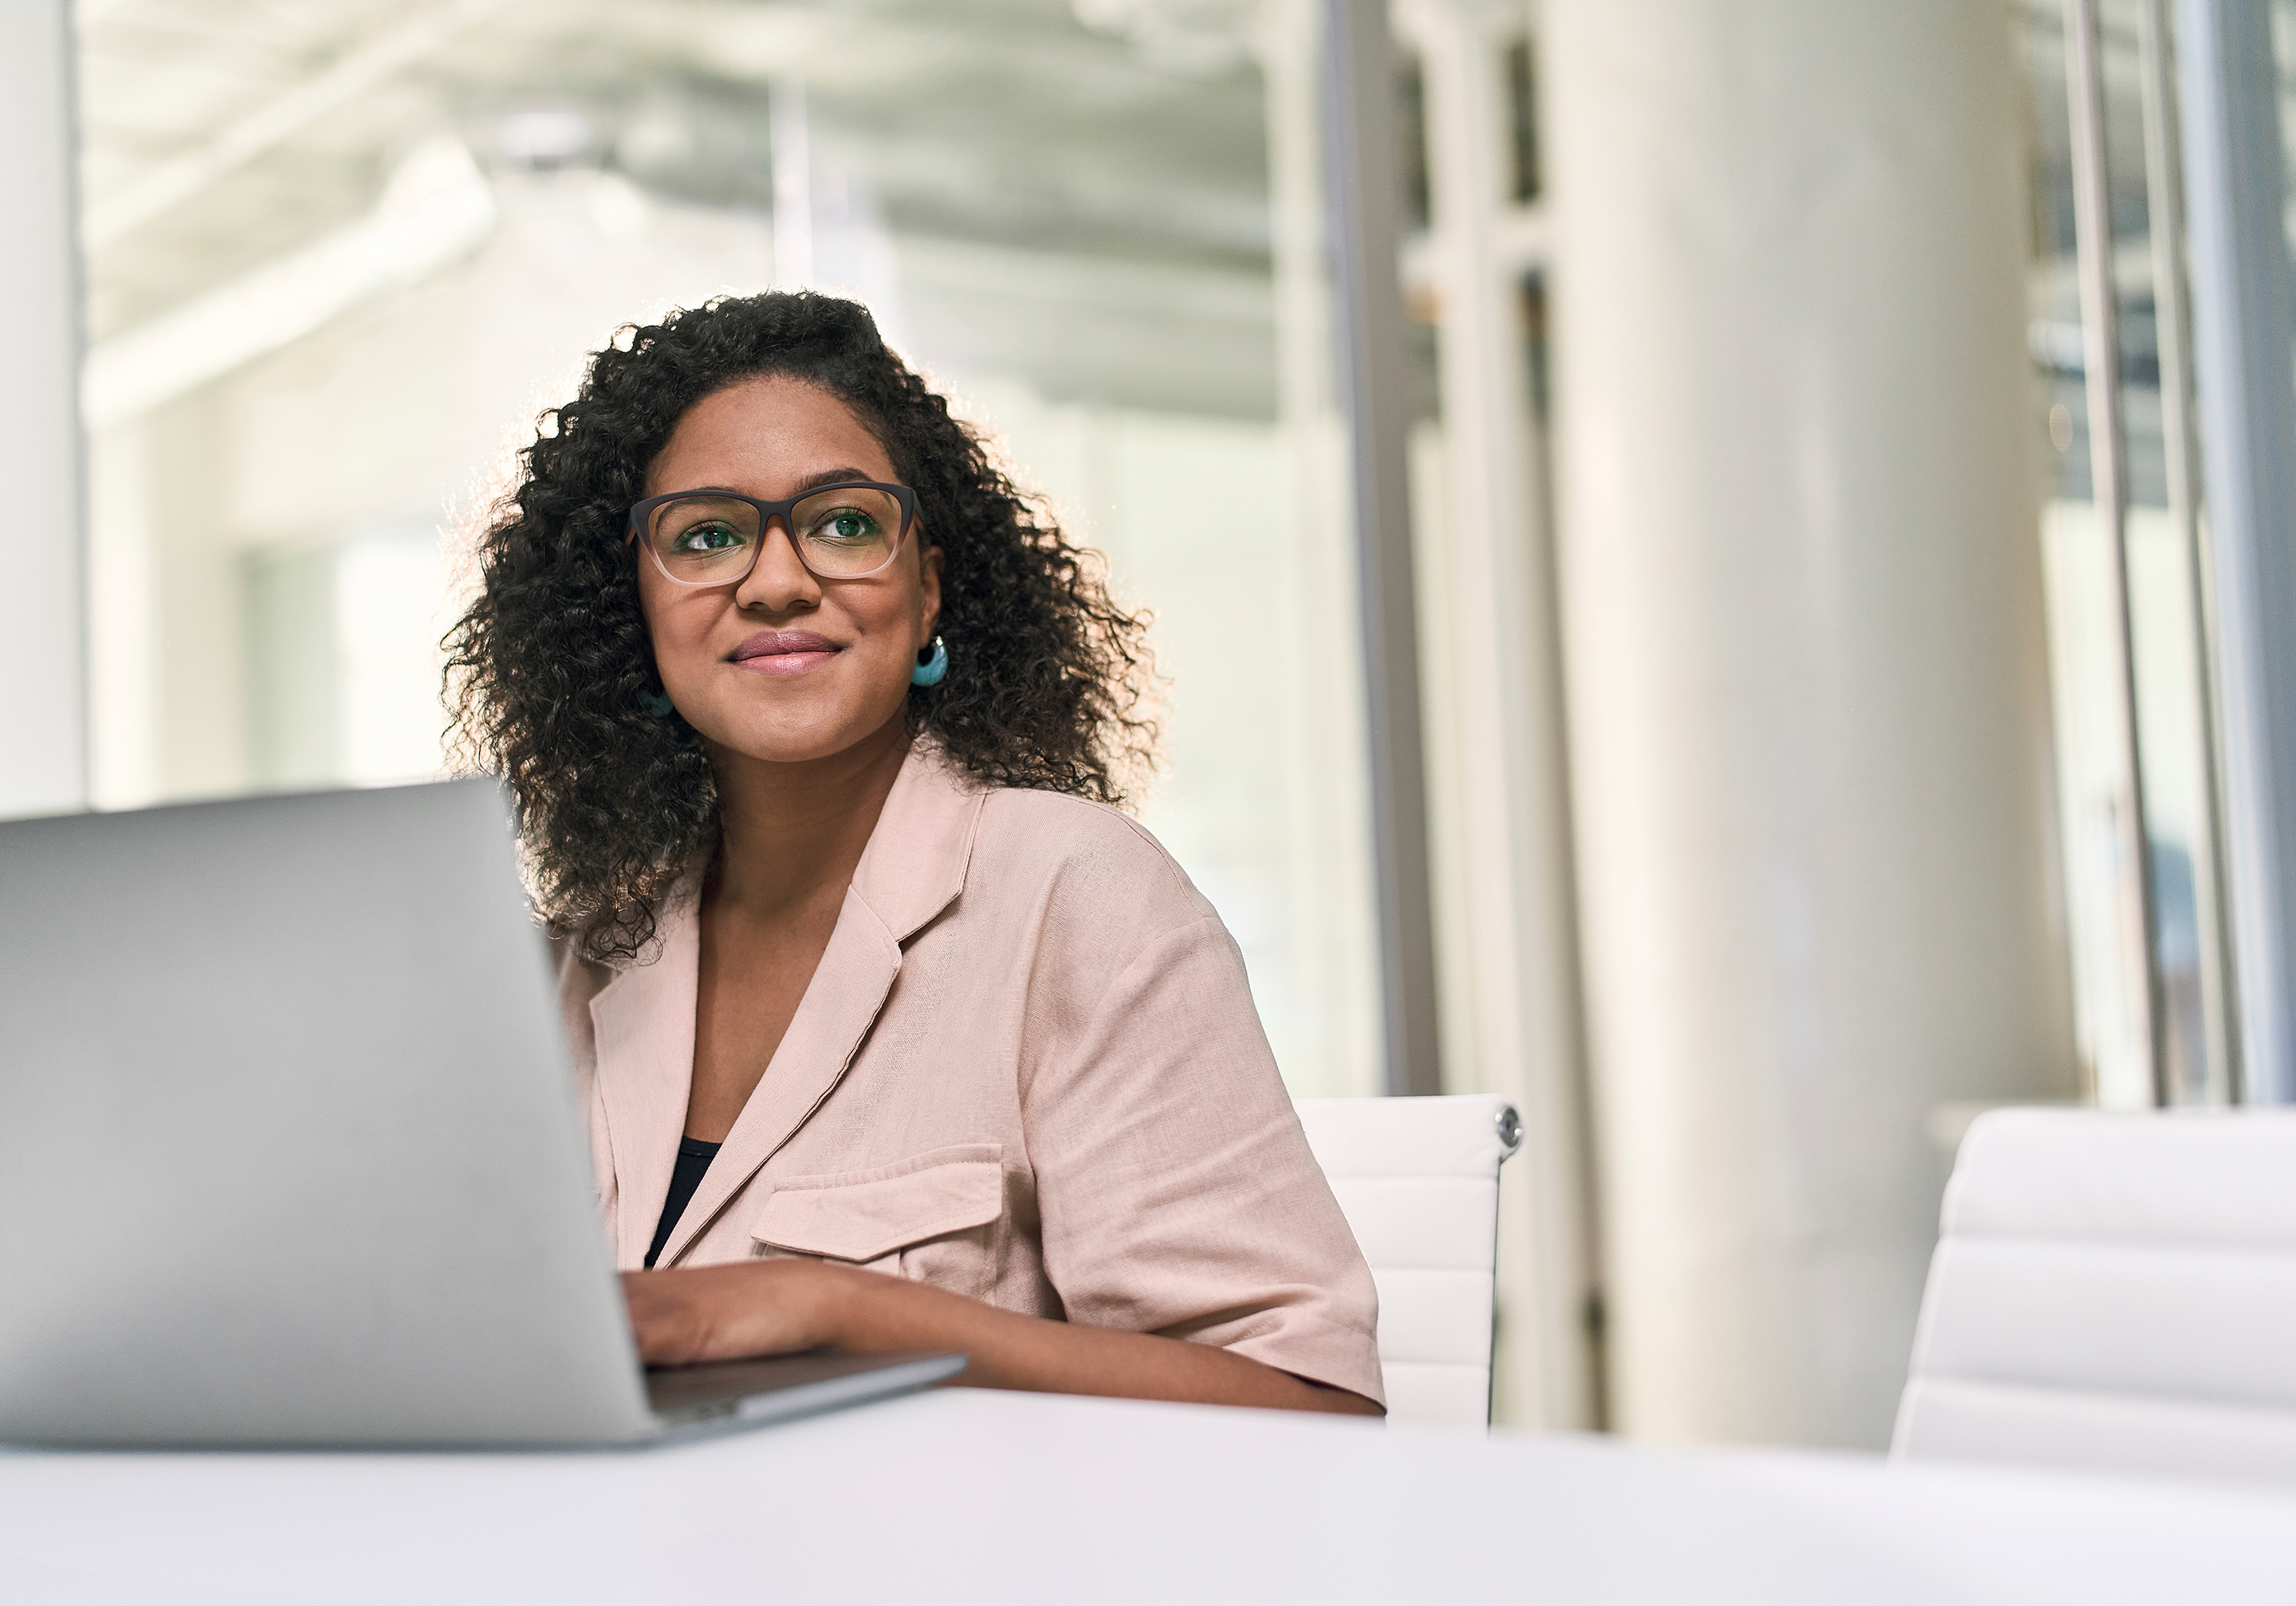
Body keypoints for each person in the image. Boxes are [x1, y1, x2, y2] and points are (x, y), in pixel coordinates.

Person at [446, 292, 1382, 1416]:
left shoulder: (1073, 895)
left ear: (928, 590)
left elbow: (1310, 1404)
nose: (779, 580)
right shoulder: (579, 958)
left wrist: (837, 1312)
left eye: (844, 522)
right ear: (630, 615)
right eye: (706, 536)